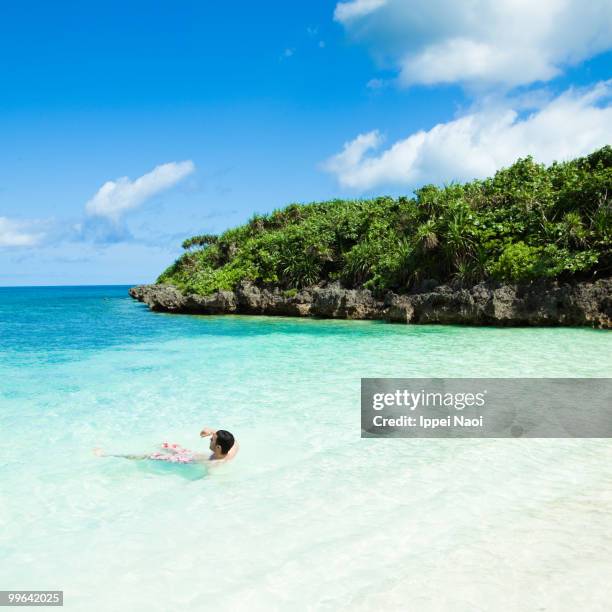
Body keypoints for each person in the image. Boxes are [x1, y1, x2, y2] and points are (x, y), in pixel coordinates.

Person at [94, 427, 238, 464]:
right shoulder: (229, 453)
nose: (209, 440)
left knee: (147, 456)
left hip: (185, 460)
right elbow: (236, 442)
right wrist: (212, 431)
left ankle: (107, 454)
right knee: (165, 444)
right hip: (188, 453)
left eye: (212, 439)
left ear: (218, 447)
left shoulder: (215, 464)